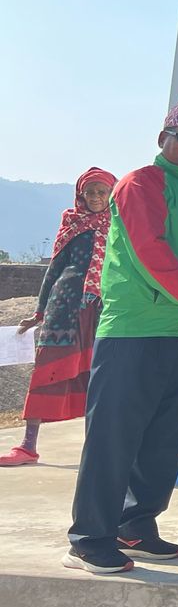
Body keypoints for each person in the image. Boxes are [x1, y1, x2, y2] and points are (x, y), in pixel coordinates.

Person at [63, 100, 178, 575]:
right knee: (113, 437)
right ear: (163, 139)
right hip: (135, 329)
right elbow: (148, 249)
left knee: (162, 438)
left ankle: (135, 525)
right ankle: (88, 538)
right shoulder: (140, 183)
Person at [3, 168, 116, 468]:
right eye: (89, 193)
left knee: (100, 377)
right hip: (63, 309)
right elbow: (54, 269)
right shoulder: (72, 224)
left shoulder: (122, 226)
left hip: (104, 311)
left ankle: (97, 447)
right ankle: (28, 446)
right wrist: (39, 312)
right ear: (80, 195)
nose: (95, 198)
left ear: (111, 194)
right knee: (46, 373)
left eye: (101, 192)